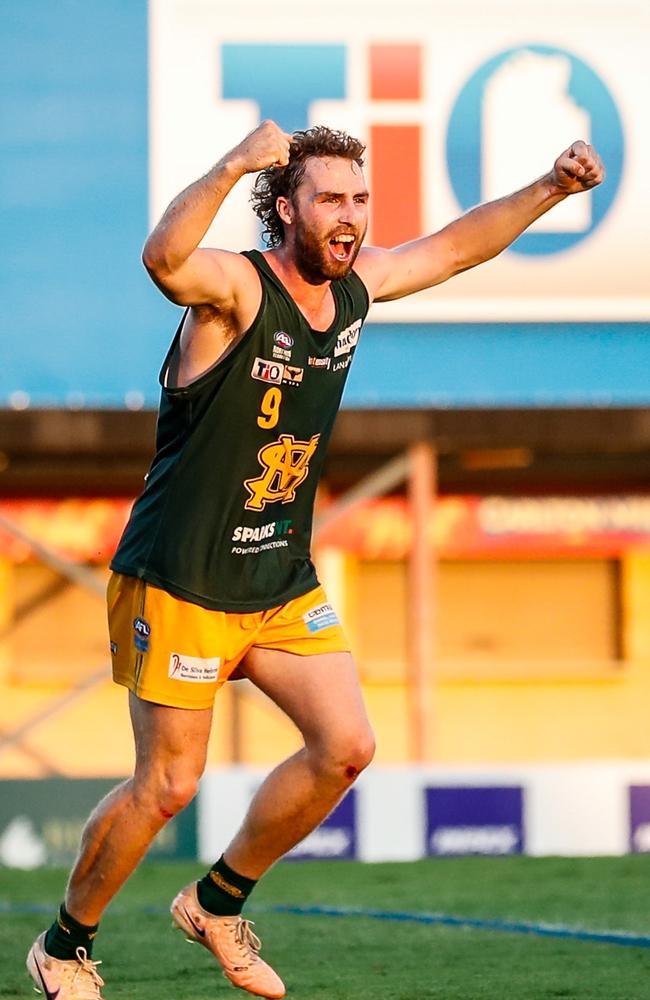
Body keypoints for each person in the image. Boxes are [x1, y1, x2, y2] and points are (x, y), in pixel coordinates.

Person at [26, 120, 604, 1000]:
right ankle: (65, 945)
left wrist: (550, 190)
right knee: (168, 786)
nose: (350, 217)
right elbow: (164, 260)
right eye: (329, 198)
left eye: (360, 200)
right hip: (182, 576)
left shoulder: (358, 289)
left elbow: (450, 251)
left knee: (346, 746)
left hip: (278, 575)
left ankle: (216, 904)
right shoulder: (235, 290)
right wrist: (227, 165)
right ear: (285, 207)